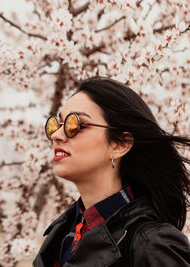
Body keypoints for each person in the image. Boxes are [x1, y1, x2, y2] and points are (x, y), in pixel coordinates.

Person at [33, 77, 190, 267]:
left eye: (74, 125)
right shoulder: (62, 236)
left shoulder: (151, 244)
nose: (57, 135)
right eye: (56, 125)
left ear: (119, 144)